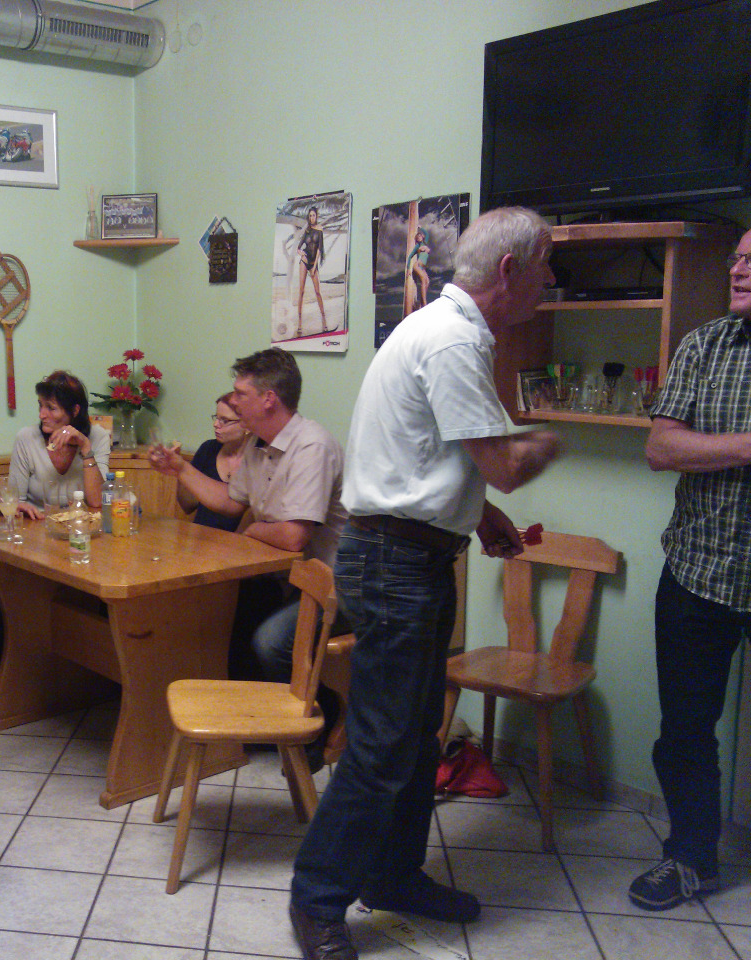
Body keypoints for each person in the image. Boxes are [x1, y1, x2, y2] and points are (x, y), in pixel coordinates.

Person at [286, 207, 562, 960]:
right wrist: (548, 440)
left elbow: (423, 456)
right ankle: (316, 899)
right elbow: (504, 462)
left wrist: (478, 514)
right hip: (396, 564)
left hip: (408, 554)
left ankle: (394, 876)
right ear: (510, 270)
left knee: (411, 739)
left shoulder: (436, 329)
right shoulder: (453, 340)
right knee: (382, 745)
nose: (550, 280)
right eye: (544, 266)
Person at [628, 227, 751, 912]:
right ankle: (691, 859)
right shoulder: (704, 345)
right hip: (698, 573)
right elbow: (661, 448)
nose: (737, 269)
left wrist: (714, 447)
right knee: (684, 734)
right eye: (737, 257)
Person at [148, 349, 347, 690]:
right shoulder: (258, 442)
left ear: (268, 399)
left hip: (334, 584)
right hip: (285, 578)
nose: (234, 402)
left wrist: (253, 529)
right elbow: (230, 501)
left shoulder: (312, 446)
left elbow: (293, 537)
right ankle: (247, 709)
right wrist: (179, 468)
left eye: (241, 394)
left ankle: (319, 713)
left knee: (270, 641)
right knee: (226, 619)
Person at [8, 370, 110, 514]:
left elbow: (97, 501)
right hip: (38, 521)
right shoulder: (26, 438)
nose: (41, 415)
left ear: (74, 410)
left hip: (81, 521)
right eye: (40, 405)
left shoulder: (98, 436)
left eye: (51, 408)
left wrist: (86, 447)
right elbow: (15, 502)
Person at [177, 392, 252, 533]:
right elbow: (187, 505)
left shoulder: (259, 460)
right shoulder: (208, 449)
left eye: (225, 420)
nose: (216, 424)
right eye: (216, 418)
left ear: (247, 426)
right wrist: (179, 469)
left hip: (238, 543)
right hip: (200, 537)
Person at [297, 206, 327, 337]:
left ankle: (324, 320)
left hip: (313, 262)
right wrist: (301, 253)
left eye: (313, 215)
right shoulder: (307, 230)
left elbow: (320, 249)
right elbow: (299, 247)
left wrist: (314, 267)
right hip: (305, 261)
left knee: (318, 292)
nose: (311, 218)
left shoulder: (319, 229)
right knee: (301, 291)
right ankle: (299, 323)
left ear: (316, 216)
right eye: (310, 216)